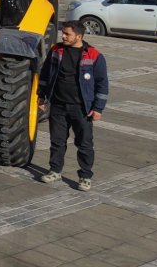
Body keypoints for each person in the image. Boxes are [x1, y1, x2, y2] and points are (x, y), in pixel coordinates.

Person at [38, 20, 108, 191]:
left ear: (79, 35)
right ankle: (55, 170)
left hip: (82, 108)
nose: (63, 36)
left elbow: (102, 84)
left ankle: (85, 176)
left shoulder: (94, 55)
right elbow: (46, 73)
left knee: (84, 143)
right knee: (57, 141)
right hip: (58, 106)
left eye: (67, 34)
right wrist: (42, 96)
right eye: (63, 33)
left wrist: (98, 108)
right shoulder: (56, 50)